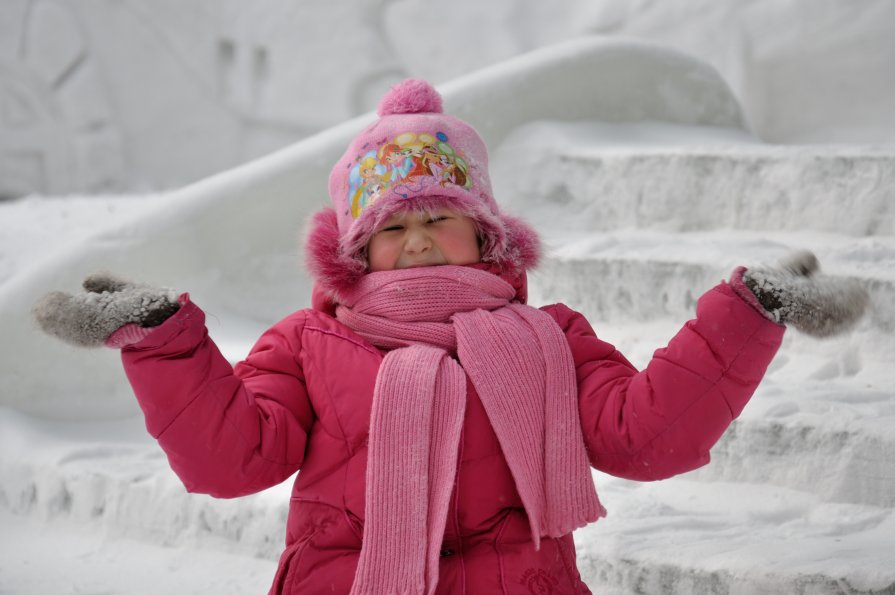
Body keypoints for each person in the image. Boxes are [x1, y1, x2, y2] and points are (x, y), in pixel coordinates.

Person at [33, 79, 868, 595]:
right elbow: (230, 458)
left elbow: (645, 435)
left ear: (486, 237)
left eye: (441, 216)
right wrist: (162, 337)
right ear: (355, 249)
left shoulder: (548, 334)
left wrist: (748, 310)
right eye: (393, 227)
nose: (421, 239)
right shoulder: (306, 344)